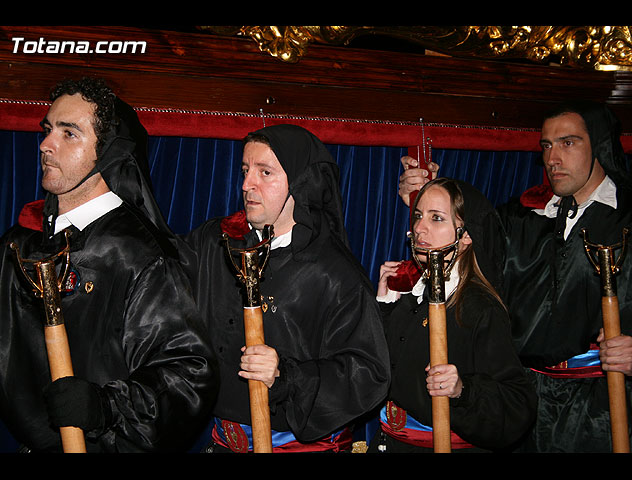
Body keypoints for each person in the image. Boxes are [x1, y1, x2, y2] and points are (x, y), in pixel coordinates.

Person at [397, 101, 632, 452]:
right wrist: (424, 194)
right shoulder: (522, 215)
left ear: (599, 144)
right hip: (519, 401)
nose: (553, 158)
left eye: (568, 143)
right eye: (546, 146)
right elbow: (465, 238)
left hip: (600, 404)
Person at [0, 77, 218, 452]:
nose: (46, 145)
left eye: (69, 134)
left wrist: (105, 407)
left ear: (110, 151)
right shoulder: (19, 245)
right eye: (49, 130)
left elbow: (188, 373)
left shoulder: (140, 256)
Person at [180, 124, 391, 453]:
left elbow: (368, 373)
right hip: (224, 442)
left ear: (300, 183)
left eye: (265, 172)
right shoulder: (216, 242)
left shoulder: (334, 274)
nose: (247, 184)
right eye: (246, 170)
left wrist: (287, 377)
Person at [368, 177, 537, 453]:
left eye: (436, 218)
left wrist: (463, 390)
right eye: (419, 216)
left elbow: (517, 404)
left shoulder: (479, 308)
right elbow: (384, 372)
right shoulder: (413, 295)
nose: (419, 228)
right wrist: (386, 303)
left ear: (465, 234)